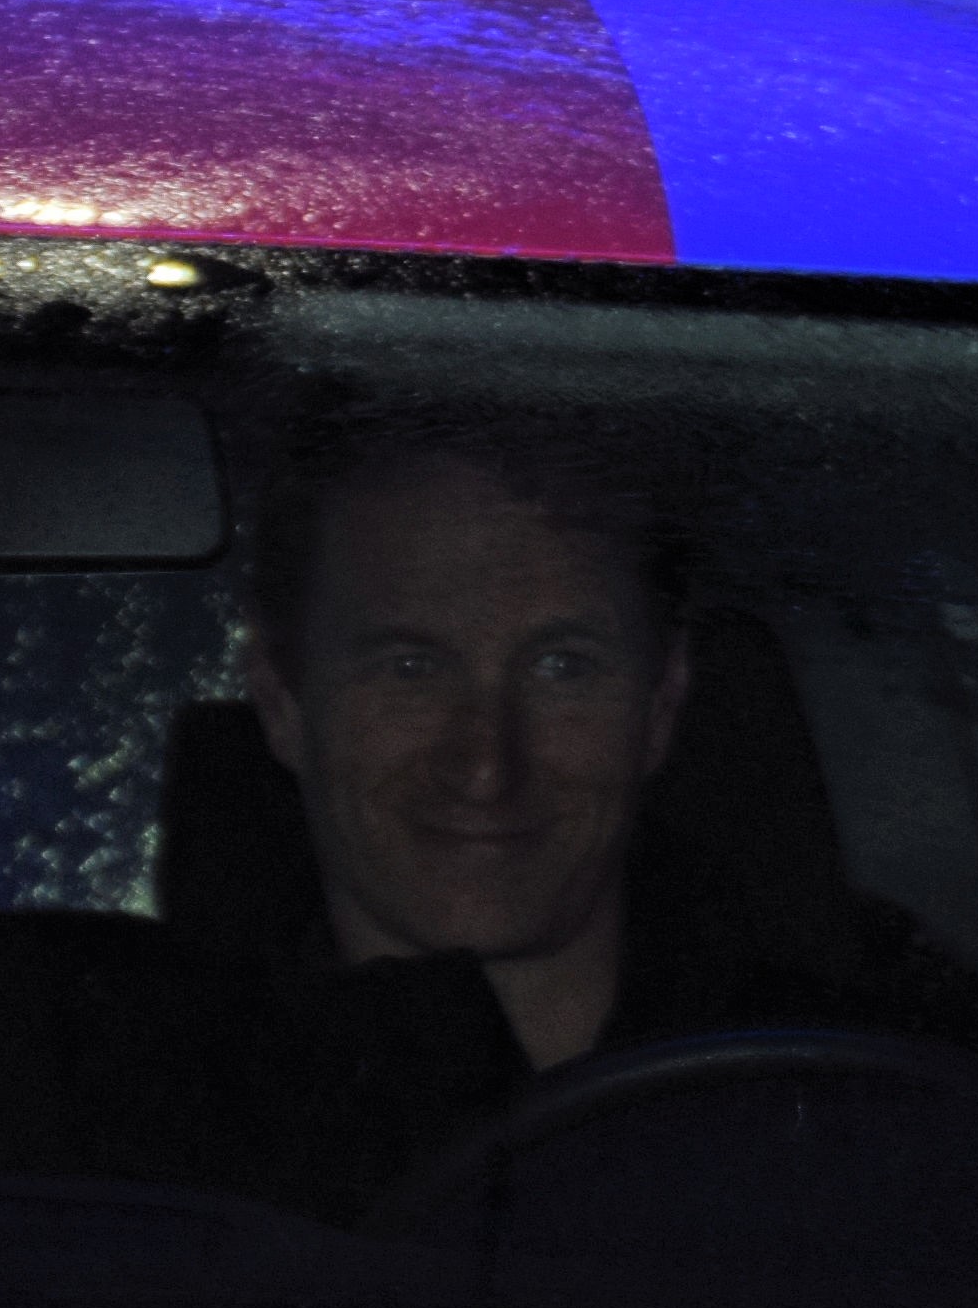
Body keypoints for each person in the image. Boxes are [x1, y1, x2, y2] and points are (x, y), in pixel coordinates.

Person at [239, 442, 695, 1072]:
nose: (487, 770)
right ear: (281, 704)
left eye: (562, 668)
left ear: (661, 706)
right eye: (410, 669)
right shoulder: (154, 1105)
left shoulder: (821, 1081)